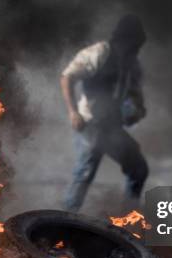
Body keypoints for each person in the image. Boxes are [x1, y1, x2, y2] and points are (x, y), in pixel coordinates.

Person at [60, 14, 149, 212]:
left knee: (138, 168)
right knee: (85, 170)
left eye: (137, 47)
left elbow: (136, 95)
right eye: (132, 45)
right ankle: (65, 219)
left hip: (112, 127)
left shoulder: (132, 64)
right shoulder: (99, 53)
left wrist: (138, 109)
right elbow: (68, 77)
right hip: (89, 123)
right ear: (122, 40)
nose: (134, 51)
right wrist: (73, 113)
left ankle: (128, 218)